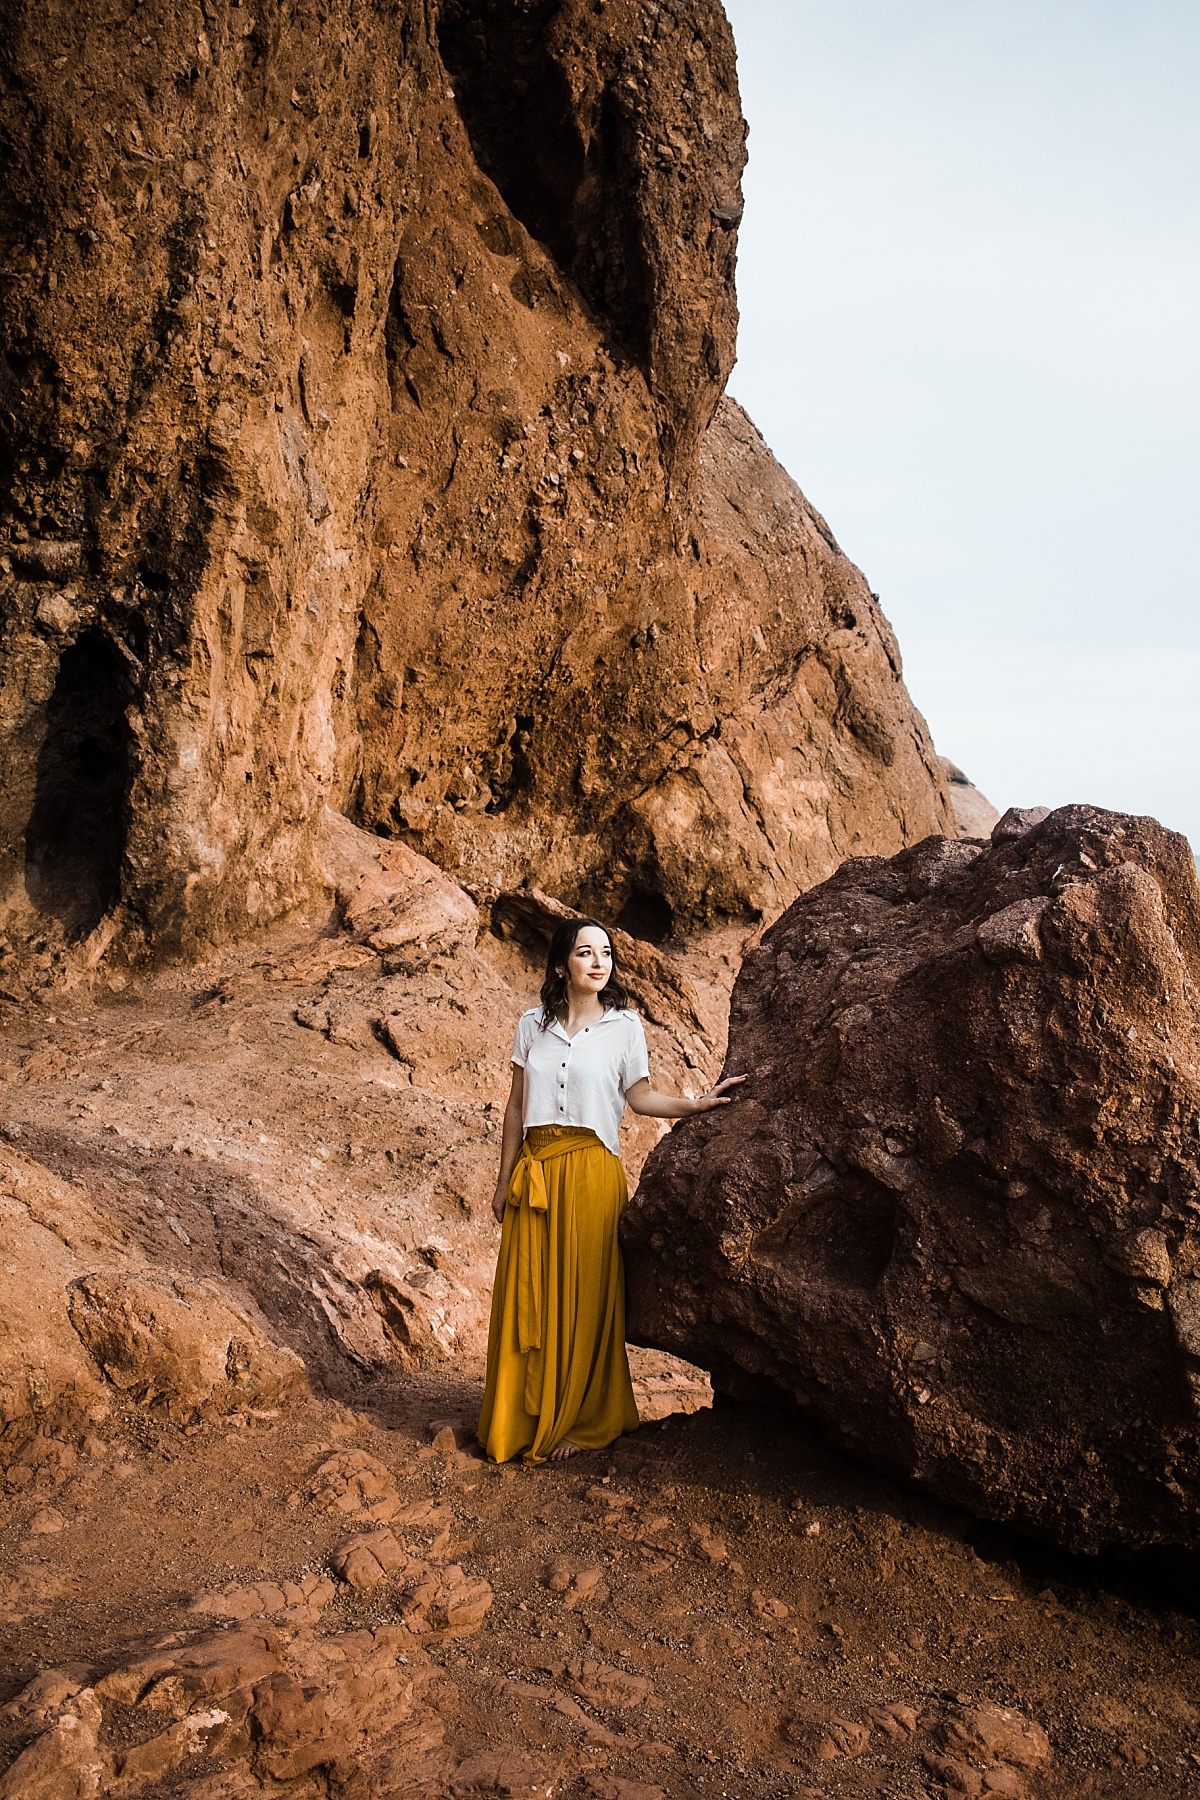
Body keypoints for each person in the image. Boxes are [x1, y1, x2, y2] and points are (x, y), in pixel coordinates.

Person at [476, 916, 745, 1465]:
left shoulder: (625, 1027)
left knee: (587, 1300)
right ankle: (521, 1418)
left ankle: (583, 1419)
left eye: (605, 953)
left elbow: (640, 1097)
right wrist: (503, 1180)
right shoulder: (532, 1025)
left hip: (593, 1173)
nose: (599, 962)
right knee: (530, 1294)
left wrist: (697, 1104)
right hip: (536, 1173)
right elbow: (513, 1107)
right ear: (560, 964)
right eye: (585, 953)